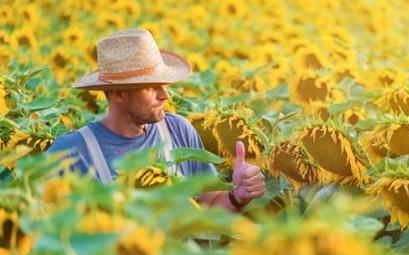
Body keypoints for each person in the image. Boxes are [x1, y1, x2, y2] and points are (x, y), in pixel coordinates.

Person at [46, 28, 265, 211]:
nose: (165, 95)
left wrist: (239, 195)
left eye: (163, 84)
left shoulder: (178, 131)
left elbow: (209, 207)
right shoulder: (70, 153)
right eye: (151, 87)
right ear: (119, 94)